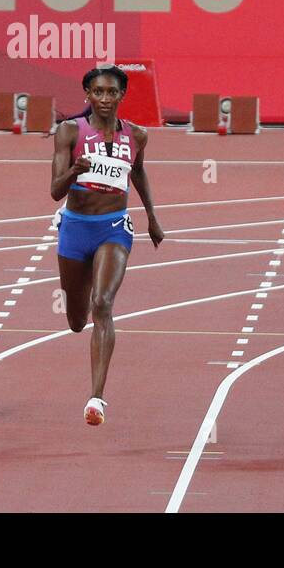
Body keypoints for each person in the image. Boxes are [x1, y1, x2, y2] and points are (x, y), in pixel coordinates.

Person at [50, 67, 164, 426]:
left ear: (121, 96)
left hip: (114, 228)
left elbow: (139, 172)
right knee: (75, 320)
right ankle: (78, 314)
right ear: (87, 93)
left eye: (111, 93)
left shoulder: (137, 135)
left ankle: (96, 398)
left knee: (103, 303)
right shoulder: (70, 132)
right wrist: (75, 171)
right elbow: (55, 190)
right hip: (75, 228)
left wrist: (152, 217)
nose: (104, 99)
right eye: (97, 92)